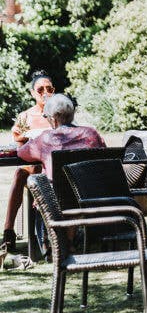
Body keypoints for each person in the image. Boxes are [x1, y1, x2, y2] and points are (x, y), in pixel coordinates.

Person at [4, 71, 54, 250]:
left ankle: (50, 235)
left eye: (49, 89)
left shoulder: (58, 112)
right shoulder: (26, 116)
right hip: (34, 165)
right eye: (40, 89)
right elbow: (16, 137)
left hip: (53, 167)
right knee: (20, 173)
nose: (45, 93)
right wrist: (28, 137)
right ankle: (8, 232)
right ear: (33, 93)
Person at [17, 94, 107, 180]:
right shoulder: (90, 133)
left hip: (57, 194)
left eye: (45, 116)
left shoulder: (46, 138)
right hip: (92, 192)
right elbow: (105, 156)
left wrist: (24, 140)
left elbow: (21, 153)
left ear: (52, 119)